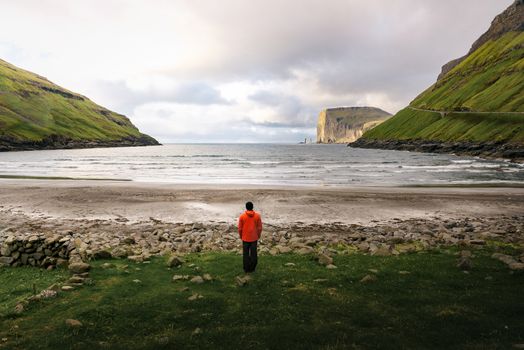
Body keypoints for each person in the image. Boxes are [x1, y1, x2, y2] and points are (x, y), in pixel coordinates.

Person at [238, 201, 262, 273]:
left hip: (245, 238)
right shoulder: (257, 216)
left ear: (246, 207)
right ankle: (252, 268)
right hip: (254, 238)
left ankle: (246, 269)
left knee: (246, 254)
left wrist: (241, 235)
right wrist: (258, 235)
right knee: (253, 254)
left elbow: (240, 228)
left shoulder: (242, 216)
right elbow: (259, 228)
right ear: (252, 207)